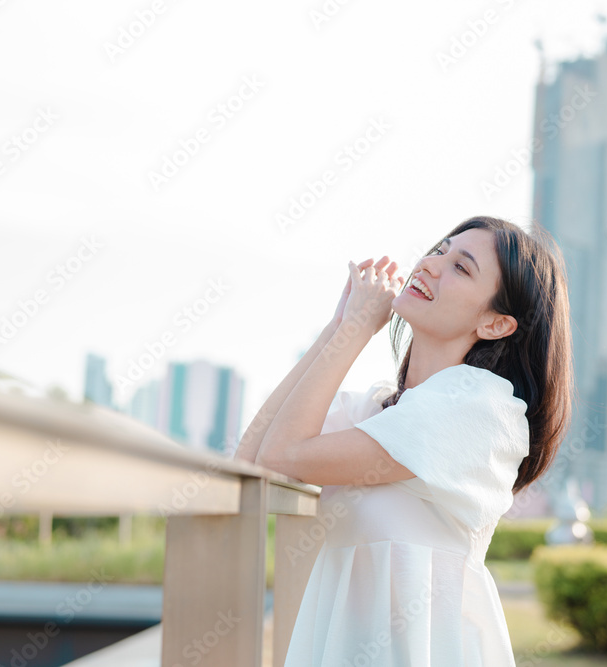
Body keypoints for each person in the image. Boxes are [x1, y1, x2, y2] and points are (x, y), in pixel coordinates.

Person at [232, 215, 574, 665]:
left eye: (461, 267)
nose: (431, 265)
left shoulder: (478, 408)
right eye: (439, 250)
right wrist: (339, 326)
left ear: (495, 324)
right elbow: (255, 460)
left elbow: (283, 455)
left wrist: (355, 330)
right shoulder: (379, 410)